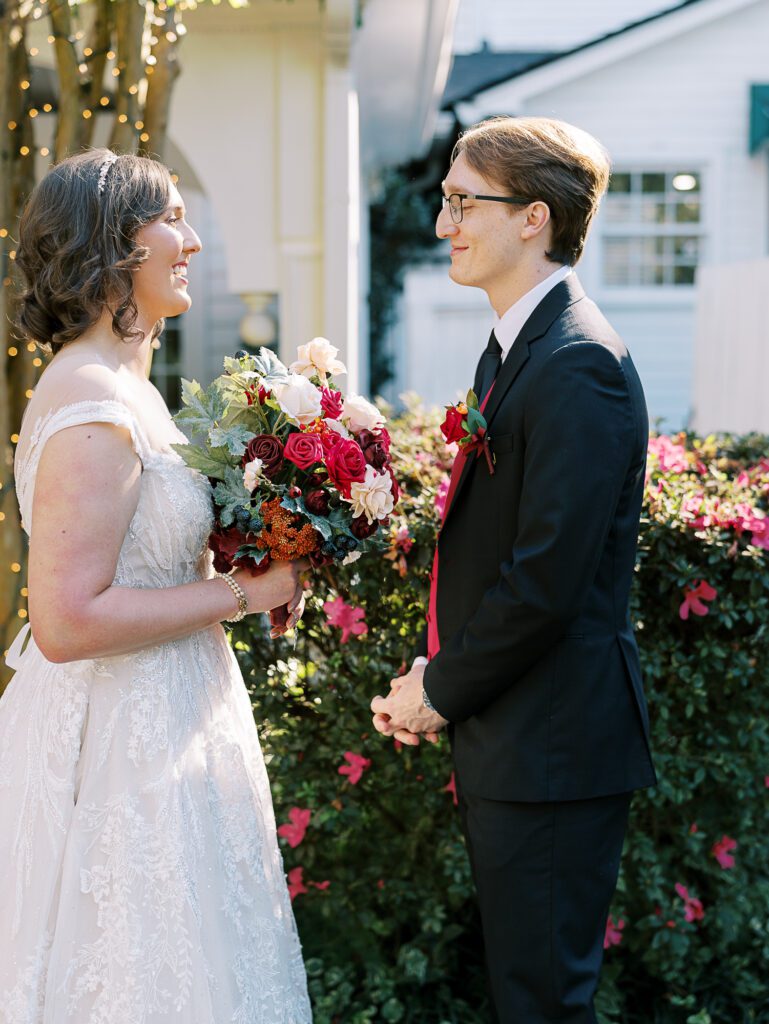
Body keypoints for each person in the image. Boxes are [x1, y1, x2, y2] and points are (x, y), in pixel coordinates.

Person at [0, 149, 312, 1022]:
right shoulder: (91, 401)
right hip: (116, 751)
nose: (193, 241)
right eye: (172, 218)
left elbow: (151, 554)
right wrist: (245, 596)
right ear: (114, 245)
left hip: (173, 720)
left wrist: (262, 551)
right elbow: (67, 621)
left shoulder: (130, 385)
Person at [371, 116, 657, 1023]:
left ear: (534, 217)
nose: (443, 223)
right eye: (444, 200)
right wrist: (436, 673)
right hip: (520, 737)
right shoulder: (517, 348)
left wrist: (439, 690)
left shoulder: (578, 364)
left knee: (541, 1004)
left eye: (463, 202)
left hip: (554, 747)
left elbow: (546, 583)